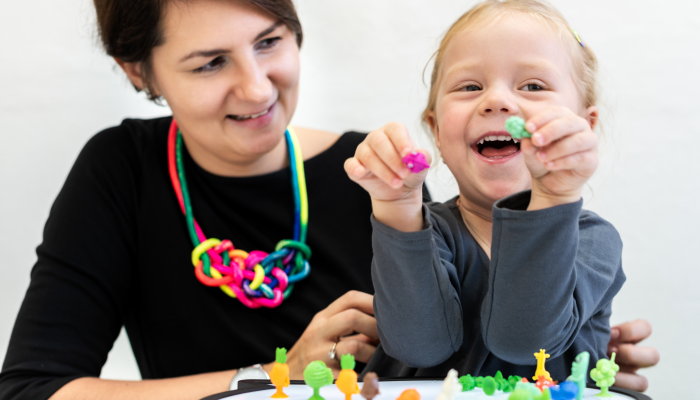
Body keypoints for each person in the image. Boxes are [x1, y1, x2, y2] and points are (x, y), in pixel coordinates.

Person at [0, 0, 658, 399]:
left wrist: (578, 352)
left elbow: (466, 352)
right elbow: (35, 388)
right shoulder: (125, 174)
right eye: (209, 63)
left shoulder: (375, 174)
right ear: (137, 71)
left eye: (268, 43)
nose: (257, 89)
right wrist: (267, 376)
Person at [345, 0, 649, 383]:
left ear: (583, 128)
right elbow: (417, 346)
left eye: (534, 86)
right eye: (470, 86)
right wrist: (397, 206)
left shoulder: (594, 241)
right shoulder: (423, 229)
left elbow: (527, 341)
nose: (497, 101)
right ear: (436, 131)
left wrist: (554, 197)